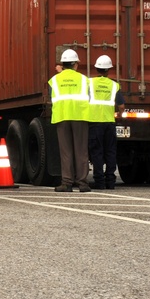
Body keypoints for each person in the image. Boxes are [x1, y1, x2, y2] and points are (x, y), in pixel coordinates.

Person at [49, 49, 91, 192]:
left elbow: (51, 98)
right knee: (81, 150)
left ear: (63, 64)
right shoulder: (84, 79)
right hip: (80, 116)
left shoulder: (54, 80)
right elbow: (89, 97)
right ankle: (83, 183)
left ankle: (66, 183)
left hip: (62, 117)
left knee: (66, 151)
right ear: (75, 64)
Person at [87, 55, 125, 189]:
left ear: (96, 68)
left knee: (97, 152)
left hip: (94, 122)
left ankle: (99, 182)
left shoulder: (89, 83)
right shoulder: (115, 85)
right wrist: (119, 115)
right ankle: (110, 181)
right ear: (109, 70)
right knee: (110, 152)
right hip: (109, 123)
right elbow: (121, 106)